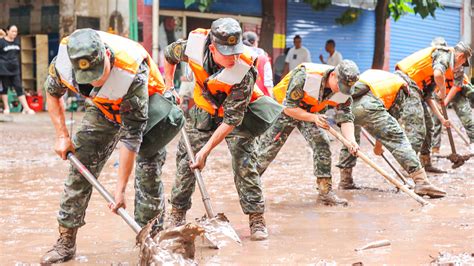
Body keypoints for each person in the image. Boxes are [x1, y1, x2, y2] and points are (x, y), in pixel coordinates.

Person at [41, 29, 184, 264]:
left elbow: (131, 137)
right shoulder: (64, 63)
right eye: (89, 77)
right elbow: (53, 95)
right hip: (103, 108)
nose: (97, 80)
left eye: (100, 73)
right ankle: (66, 242)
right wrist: (62, 136)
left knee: (148, 170)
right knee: (80, 170)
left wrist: (120, 190)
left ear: (106, 54)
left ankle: (152, 240)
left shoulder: (131, 71)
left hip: (148, 107)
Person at [163, 18, 282, 241]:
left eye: (236, 51)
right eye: (227, 53)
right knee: (186, 160)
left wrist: (206, 152)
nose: (234, 58)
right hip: (205, 108)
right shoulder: (193, 46)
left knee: (245, 162)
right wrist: (169, 85)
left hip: (237, 114)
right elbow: (169, 55)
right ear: (212, 48)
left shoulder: (245, 69)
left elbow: (231, 120)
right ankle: (177, 214)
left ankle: (256, 218)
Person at [257, 60, 360, 206]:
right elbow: (289, 108)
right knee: (267, 149)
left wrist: (351, 140)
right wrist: (314, 118)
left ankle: (325, 192)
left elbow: (346, 116)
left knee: (322, 143)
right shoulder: (305, 76)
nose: (340, 90)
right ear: (333, 75)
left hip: (311, 111)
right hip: (285, 108)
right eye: (340, 86)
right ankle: (249, 186)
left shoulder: (343, 89)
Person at [336, 69, 446, 198]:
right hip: (368, 107)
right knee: (398, 139)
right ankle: (422, 182)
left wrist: (378, 146)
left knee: (350, 141)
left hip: (345, 108)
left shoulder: (376, 75)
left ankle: (345, 180)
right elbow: (388, 125)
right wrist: (378, 146)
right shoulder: (403, 87)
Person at [395, 40, 472, 173]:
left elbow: (428, 97)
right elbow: (438, 74)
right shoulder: (445, 55)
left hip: (417, 90)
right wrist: (442, 91)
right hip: (406, 84)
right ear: (460, 57)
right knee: (417, 129)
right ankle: (408, 168)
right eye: (463, 62)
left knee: (429, 126)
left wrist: (442, 118)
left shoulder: (436, 72)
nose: (461, 66)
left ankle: (425, 163)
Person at [432, 73, 474, 153]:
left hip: (458, 91)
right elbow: (430, 88)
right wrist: (437, 103)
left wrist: (444, 102)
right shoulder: (433, 67)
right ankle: (434, 148)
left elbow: (456, 86)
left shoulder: (456, 67)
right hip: (439, 93)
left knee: (467, 118)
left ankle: (473, 142)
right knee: (435, 121)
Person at [0, 25, 36, 114]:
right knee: (5, 88)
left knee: (18, 87)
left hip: (15, 69)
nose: (14, 33)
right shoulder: (1, 42)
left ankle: (26, 108)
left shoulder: (17, 42)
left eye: (16, 32)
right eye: (12, 31)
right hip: (4, 69)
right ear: (7, 31)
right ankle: (6, 107)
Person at [243, 31, 274, 97]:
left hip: (240, 96)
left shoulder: (237, 56)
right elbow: (268, 82)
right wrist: (272, 97)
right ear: (253, 42)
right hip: (259, 96)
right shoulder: (263, 58)